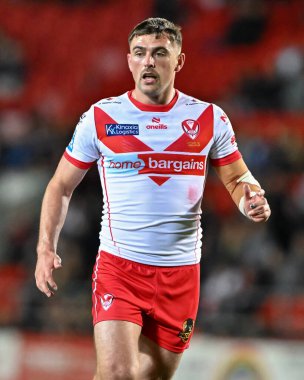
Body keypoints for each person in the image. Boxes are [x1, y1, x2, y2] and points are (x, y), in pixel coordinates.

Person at [35, 17, 271, 380]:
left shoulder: (209, 118)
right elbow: (60, 186)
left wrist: (250, 199)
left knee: (151, 376)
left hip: (181, 274)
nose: (149, 61)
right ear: (129, 60)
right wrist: (45, 248)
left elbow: (238, 178)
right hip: (120, 268)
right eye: (140, 53)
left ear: (179, 62)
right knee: (118, 374)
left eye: (160, 53)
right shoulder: (102, 118)